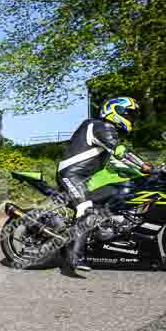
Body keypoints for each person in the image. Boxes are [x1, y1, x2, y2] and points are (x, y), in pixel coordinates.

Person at [57, 97, 152, 274]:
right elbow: (120, 152)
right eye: (129, 114)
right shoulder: (100, 126)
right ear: (115, 112)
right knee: (86, 210)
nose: (131, 119)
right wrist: (144, 166)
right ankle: (74, 258)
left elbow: (116, 161)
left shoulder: (105, 131)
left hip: (87, 177)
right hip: (72, 175)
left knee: (117, 196)